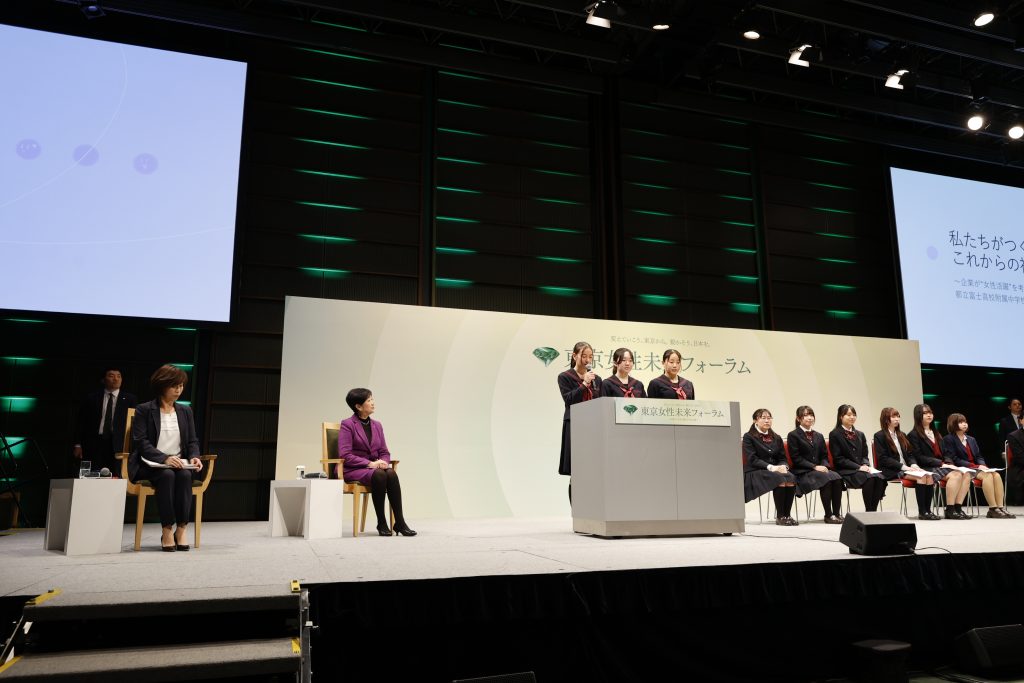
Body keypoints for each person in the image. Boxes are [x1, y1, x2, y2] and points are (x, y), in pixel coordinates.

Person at [129, 364, 202, 551]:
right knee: (167, 475)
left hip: (178, 463)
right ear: (162, 385)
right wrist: (164, 458)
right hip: (150, 464)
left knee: (185, 475)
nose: (179, 390)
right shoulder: (144, 409)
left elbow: (192, 441)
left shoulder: (185, 411)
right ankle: (167, 529)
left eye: (181, 386)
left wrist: (194, 457)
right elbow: (141, 442)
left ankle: (182, 528)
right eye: (174, 386)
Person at [337, 388, 416, 536]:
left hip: (373, 469)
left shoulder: (377, 425)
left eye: (372, 399)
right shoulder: (347, 424)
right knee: (380, 474)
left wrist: (383, 462)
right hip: (352, 469)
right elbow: (345, 455)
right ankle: (381, 522)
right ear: (358, 406)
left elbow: (384, 451)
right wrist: (370, 464)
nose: (373, 403)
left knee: (390, 473)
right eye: (369, 400)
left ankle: (400, 522)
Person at [872, 407, 940, 520]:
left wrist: (914, 465)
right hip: (892, 470)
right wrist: (904, 467)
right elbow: (883, 459)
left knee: (929, 476)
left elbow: (910, 454)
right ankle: (922, 512)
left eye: (898, 416)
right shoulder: (879, 436)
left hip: (907, 468)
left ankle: (928, 510)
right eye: (893, 417)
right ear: (886, 419)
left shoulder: (902, 434)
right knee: (922, 477)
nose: (897, 419)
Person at [942, 413, 1014, 519]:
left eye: (965, 422)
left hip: (975, 467)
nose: (964, 424)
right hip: (962, 469)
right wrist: (974, 466)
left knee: (996, 475)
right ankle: (993, 509)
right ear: (953, 424)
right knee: (988, 476)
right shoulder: (948, 439)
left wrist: (982, 465)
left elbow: (978, 456)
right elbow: (954, 458)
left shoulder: (971, 439)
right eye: (960, 422)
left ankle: (1000, 507)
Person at [907, 404, 970, 519]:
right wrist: (941, 464)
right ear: (918, 415)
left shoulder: (936, 433)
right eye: (925, 413)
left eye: (930, 413)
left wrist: (949, 463)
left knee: (966, 474)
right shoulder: (913, 435)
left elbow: (946, 453)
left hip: (941, 466)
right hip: (926, 467)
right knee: (956, 475)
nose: (929, 415)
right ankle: (949, 509)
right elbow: (919, 457)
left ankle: (957, 508)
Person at [557, 342, 602, 500]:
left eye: (590, 357)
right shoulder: (565, 377)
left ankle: (592, 507)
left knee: (593, 469)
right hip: (575, 426)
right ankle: (577, 509)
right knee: (576, 470)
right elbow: (569, 400)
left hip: (593, 427)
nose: (587, 360)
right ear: (574, 356)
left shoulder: (597, 379)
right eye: (584, 356)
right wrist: (584, 384)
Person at [74, 367, 138, 476]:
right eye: (111, 376)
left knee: (116, 476)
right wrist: (78, 444)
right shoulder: (92, 398)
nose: (116, 379)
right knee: (92, 475)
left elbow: (134, 424)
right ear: (103, 380)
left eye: (119, 376)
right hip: (95, 442)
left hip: (118, 444)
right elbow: (81, 422)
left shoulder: (130, 399)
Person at [786, 406, 845, 524]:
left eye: (811, 415)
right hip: (803, 472)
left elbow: (824, 456)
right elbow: (796, 458)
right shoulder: (793, 435)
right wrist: (814, 466)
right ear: (798, 418)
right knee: (826, 479)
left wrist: (824, 466)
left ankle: (837, 514)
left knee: (837, 477)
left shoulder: (819, 435)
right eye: (806, 415)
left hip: (819, 470)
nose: (809, 418)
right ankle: (828, 515)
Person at [743, 409, 798, 525]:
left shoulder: (776, 437)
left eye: (769, 418)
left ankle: (787, 515)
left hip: (775, 470)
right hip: (756, 471)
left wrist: (784, 466)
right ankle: (780, 516)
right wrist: (772, 467)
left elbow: (782, 458)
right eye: (763, 418)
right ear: (755, 421)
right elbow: (752, 459)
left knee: (791, 477)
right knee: (779, 478)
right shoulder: (748, 437)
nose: (767, 420)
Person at [828, 404, 886, 512]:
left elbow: (864, 455)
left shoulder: (860, 434)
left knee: (880, 477)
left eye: (854, 415)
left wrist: (865, 464)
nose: (852, 417)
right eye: (849, 415)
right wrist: (858, 467)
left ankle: (873, 511)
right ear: (841, 417)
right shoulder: (834, 434)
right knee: (870, 478)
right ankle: (869, 511)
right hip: (845, 470)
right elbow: (838, 459)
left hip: (861, 469)